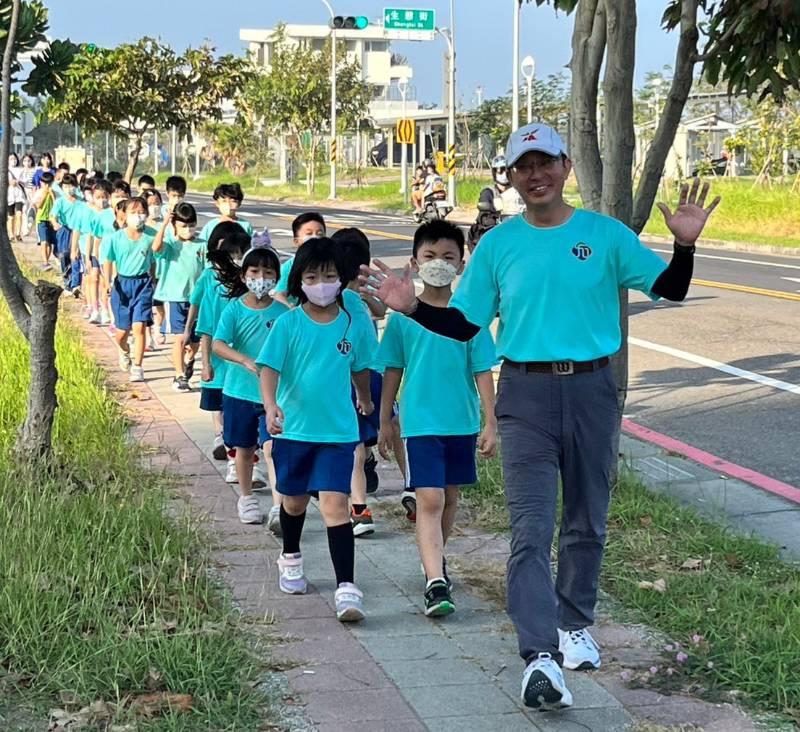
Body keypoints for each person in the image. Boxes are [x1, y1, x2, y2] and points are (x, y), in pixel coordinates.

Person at [360, 121, 721, 711]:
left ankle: (575, 622)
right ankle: (539, 657)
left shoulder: (604, 236)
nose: (535, 175)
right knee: (530, 529)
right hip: (524, 393)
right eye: (522, 166)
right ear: (509, 176)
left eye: (545, 162)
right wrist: (411, 309)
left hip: (594, 389)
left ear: (565, 168)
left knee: (586, 518)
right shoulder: (500, 245)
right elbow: (466, 323)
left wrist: (684, 244)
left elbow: (671, 289)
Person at [376, 220, 498, 617]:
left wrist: (490, 421)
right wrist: (384, 420)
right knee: (429, 497)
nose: (438, 264)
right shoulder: (402, 317)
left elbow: (483, 371)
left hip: (460, 423)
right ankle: (435, 583)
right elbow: (392, 370)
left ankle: (435, 561)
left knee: (449, 499)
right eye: (429, 256)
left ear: (461, 263)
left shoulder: (471, 317)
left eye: (448, 256)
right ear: (414, 262)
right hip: (419, 424)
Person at [257, 237, 374, 622]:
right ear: (299, 281)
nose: (321, 283)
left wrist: (365, 399)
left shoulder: (352, 324)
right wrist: (271, 405)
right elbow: (269, 368)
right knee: (293, 502)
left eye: (328, 275)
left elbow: (359, 369)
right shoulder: (288, 324)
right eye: (311, 276)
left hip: (337, 432)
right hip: (294, 431)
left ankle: (346, 588)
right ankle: (290, 556)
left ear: (341, 279)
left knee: (335, 506)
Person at [187, 222, 270, 496]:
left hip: (256, 372)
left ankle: (248, 463)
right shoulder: (213, 283)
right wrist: (206, 362)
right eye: (231, 254)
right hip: (226, 363)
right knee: (227, 413)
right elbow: (208, 326)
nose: (236, 259)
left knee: (258, 425)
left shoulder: (266, 300)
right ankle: (235, 459)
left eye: (240, 253)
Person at [212, 246, 288, 524]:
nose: (261, 277)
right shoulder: (234, 310)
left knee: (272, 448)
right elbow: (219, 344)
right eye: (255, 271)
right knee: (244, 450)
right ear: (244, 276)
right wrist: (243, 360)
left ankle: (280, 506)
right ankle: (246, 497)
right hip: (239, 393)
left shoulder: (283, 313)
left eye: (268, 272)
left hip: (274, 396)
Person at [329, 228, 384, 537]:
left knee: (357, 445)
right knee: (374, 437)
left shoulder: (336, 298)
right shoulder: (348, 295)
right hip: (371, 371)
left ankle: (360, 508)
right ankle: (408, 488)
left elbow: (379, 310)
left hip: (353, 374)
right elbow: (382, 312)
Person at [152, 202, 205, 392]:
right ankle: (179, 375)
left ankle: (189, 360)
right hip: (175, 298)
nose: (188, 230)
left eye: (192, 225)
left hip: (197, 301)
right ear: (175, 226)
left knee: (195, 341)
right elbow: (156, 247)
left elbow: (208, 272)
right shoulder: (171, 245)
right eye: (183, 226)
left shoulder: (202, 246)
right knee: (179, 338)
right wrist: (165, 223)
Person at [103, 197, 156, 383]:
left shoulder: (151, 235)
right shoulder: (115, 238)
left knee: (140, 326)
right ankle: (124, 350)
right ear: (124, 215)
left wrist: (153, 279)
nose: (138, 217)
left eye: (141, 212)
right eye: (133, 212)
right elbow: (108, 260)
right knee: (122, 332)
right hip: (122, 285)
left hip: (143, 284)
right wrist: (108, 282)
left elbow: (155, 258)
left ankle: (138, 366)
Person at [71, 178, 112, 323]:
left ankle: (105, 309)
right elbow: (89, 235)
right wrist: (87, 255)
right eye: (98, 197)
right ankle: (94, 308)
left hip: (109, 254)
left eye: (105, 197)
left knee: (104, 281)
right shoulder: (88, 212)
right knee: (93, 277)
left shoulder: (112, 213)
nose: (102, 200)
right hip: (94, 251)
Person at [468, 154, 525, 251]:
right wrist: (491, 216)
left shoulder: (521, 191)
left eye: (507, 170)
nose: (504, 174)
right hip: (496, 229)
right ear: (495, 172)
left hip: (519, 228)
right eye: (501, 170)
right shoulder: (489, 192)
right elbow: (485, 214)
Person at [272, 212, 325, 307]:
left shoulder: (331, 264)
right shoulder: (289, 267)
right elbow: (279, 295)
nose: (315, 237)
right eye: (309, 234)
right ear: (296, 241)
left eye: (319, 234)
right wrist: (290, 308)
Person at [50, 173, 81, 290]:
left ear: (76, 186)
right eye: (66, 186)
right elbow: (53, 215)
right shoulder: (60, 202)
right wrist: (55, 223)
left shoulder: (80, 201)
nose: (69, 189)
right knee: (64, 255)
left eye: (71, 186)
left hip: (78, 231)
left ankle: (76, 283)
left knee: (76, 256)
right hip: (65, 230)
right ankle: (67, 281)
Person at [34, 171, 57, 270]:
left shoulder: (54, 192)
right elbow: (38, 205)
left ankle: (47, 261)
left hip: (51, 220)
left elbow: (56, 204)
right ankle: (45, 262)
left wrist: (51, 194)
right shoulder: (39, 192)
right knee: (44, 241)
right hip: (41, 220)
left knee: (50, 242)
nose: (46, 186)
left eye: (49, 184)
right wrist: (44, 194)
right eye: (44, 184)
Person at [7, 153, 28, 242]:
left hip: (19, 195)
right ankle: (11, 235)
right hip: (9, 196)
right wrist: (9, 182)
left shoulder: (21, 170)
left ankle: (18, 234)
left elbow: (26, 181)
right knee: (11, 217)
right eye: (11, 159)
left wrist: (18, 181)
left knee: (19, 214)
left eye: (15, 159)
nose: (13, 161)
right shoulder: (5, 170)